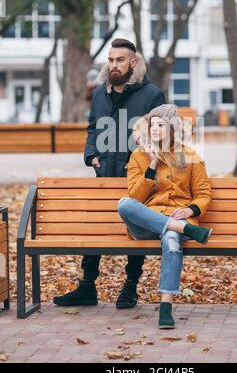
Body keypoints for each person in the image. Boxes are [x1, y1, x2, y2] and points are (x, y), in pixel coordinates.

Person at [53, 38, 166, 308]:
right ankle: (86, 286)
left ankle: (130, 288)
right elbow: (93, 127)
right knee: (95, 226)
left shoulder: (152, 95)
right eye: (111, 60)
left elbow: (160, 134)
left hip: (137, 177)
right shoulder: (99, 93)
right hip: (103, 173)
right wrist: (91, 154)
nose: (114, 65)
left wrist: (139, 159)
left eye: (120, 60)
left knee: (134, 228)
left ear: (133, 62)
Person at [118, 104, 212, 329]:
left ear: (173, 128)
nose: (155, 129)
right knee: (124, 204)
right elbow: (135, 197)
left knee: (171, 240)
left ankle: (166, 306)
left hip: (178, 217)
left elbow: (203, 194)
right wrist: (152, 164)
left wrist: (190, 211)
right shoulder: (139, 156)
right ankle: (186, 229)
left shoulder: (190, 156)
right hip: (146, 223)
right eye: (152, 125)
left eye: (161, 125)